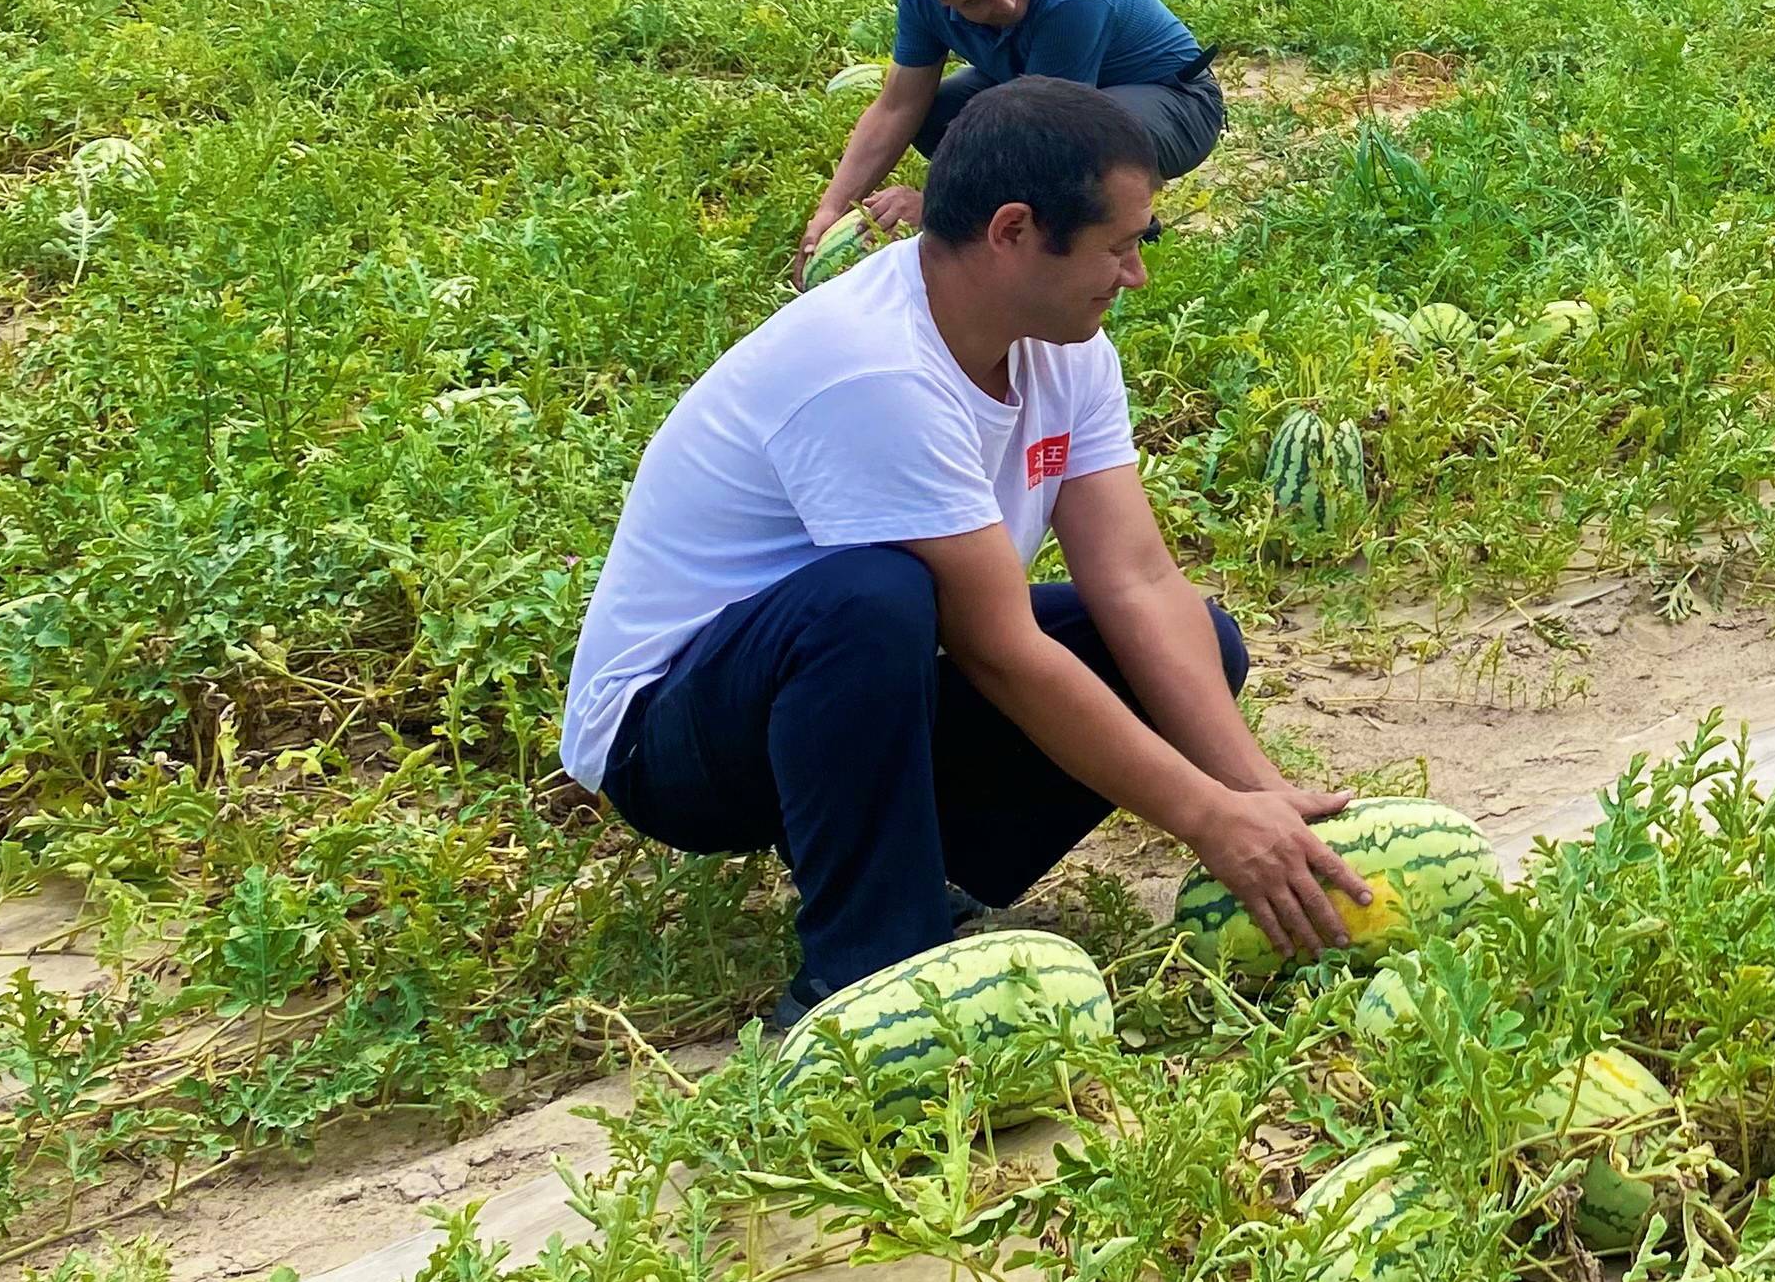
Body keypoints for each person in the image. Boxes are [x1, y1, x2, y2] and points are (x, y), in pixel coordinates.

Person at [571, 77, 1362, 1024]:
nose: (1135, 276)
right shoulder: (873, 366)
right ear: (1014, 230)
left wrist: (1257, 795)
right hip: (676, 734)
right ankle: (866, 970)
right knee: (872, 595)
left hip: (854, 700)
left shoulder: (1066, 345)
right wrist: (1202, 819)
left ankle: (921, 867)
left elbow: (1137, 578)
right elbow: (997, 647)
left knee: (1190, 638)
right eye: (1119, 247)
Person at [794, 0, 1228, 285]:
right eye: (975, 2)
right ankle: (1067, 209)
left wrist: (938, 209)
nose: (1004, 4)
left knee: (1082, 149)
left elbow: (1047, 136)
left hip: (1176, 103)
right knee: (940, 115)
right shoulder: (921, 3)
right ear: (940, 1)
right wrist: (829, 211)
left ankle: (1121, 220)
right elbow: (897, 107)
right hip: (1049, 95)